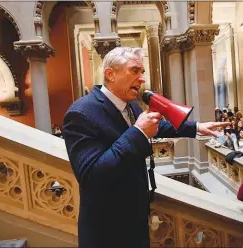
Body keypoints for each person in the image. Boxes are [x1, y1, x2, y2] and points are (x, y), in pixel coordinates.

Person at [62, 47, 229, 248]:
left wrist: (195, 127)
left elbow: (155, 125)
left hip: (136, 219)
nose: (142, 79)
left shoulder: (129, 104)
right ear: (110, 74)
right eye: (135, 70)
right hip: (107, 230)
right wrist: (139, 133)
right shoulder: (81, 113)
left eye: (142, 72)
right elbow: (92, 176)